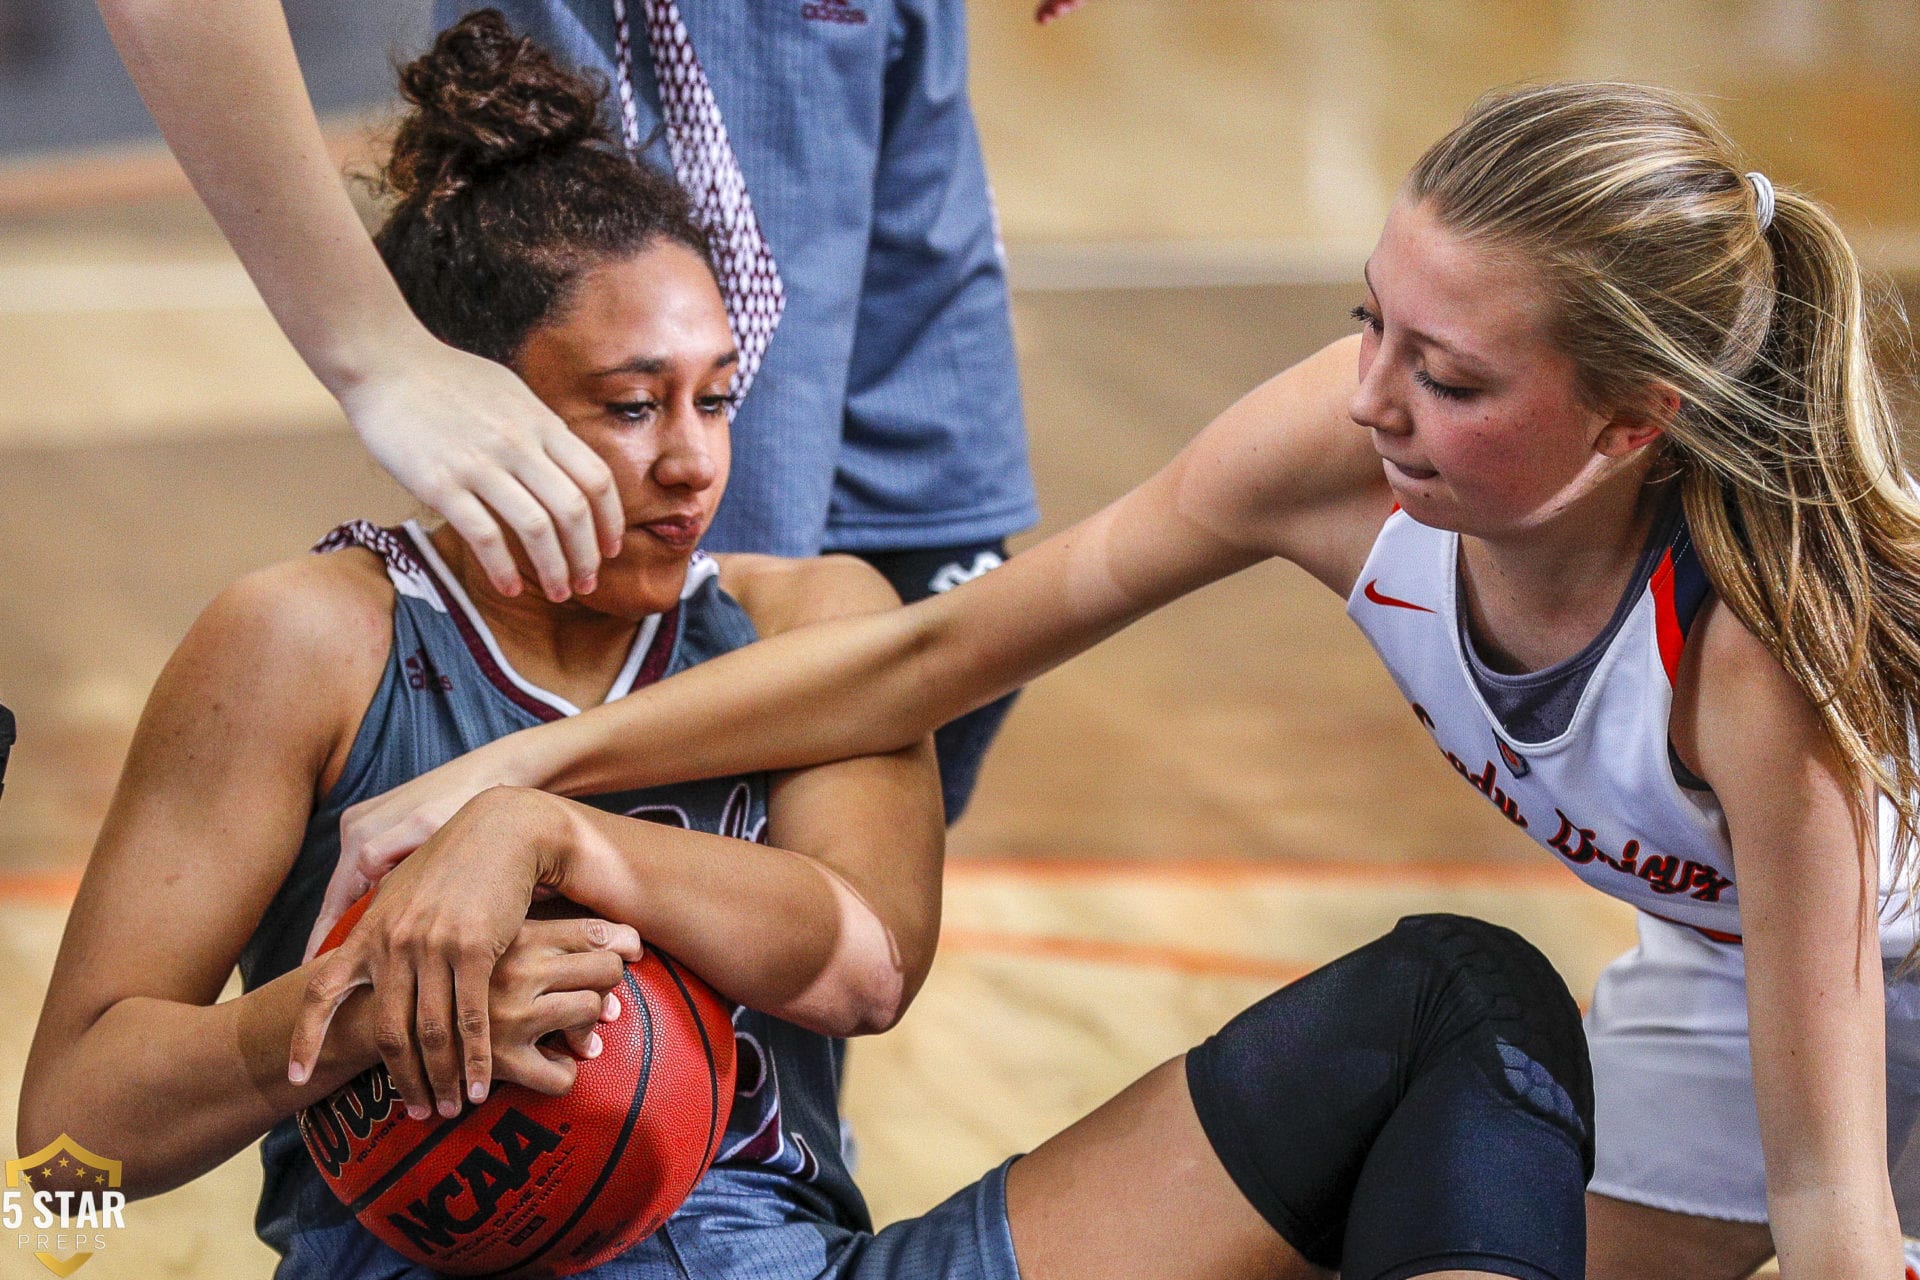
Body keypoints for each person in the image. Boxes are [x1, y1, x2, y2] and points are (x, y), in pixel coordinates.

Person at [19, 19, 1594, 1280]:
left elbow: (865, 964)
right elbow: (50, 1186)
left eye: (715, 398)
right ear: (482, 405)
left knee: (1462, 1000)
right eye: (629, 407)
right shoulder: (306, 640)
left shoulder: (811, 623)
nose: (695, 462)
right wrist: (344, 1022)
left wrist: (560, 834)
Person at [306, 80, 1920, 1278]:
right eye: (1371, 324)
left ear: (1630, 421)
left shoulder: (1761, 662)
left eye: (1450, 375)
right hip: (1722, 967)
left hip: (1846, 977)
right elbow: (931, 657)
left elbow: (1838, 1218)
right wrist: (511, 772)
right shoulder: (1339, 450)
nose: (1373, 397)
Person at [95, 0, 1055, 820]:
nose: (687, 441)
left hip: (887, 61)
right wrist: (373, 352)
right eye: (639, 406)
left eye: (705, 402)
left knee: (926, 636)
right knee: (701, 722)